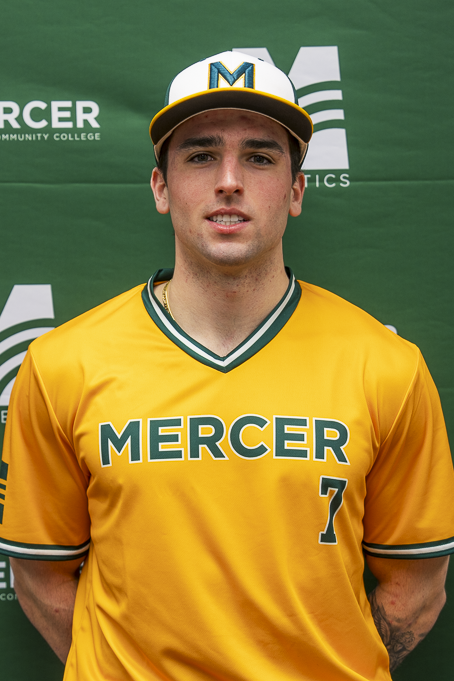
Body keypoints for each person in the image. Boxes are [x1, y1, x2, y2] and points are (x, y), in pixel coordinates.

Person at [1, 50, 454, 681]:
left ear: (296, 191)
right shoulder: (63, 365)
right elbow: (39, 574)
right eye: (200, 155)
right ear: (161, 188)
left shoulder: (386, 367)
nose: (229, 181)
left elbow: (418, 585)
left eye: (261, 158)